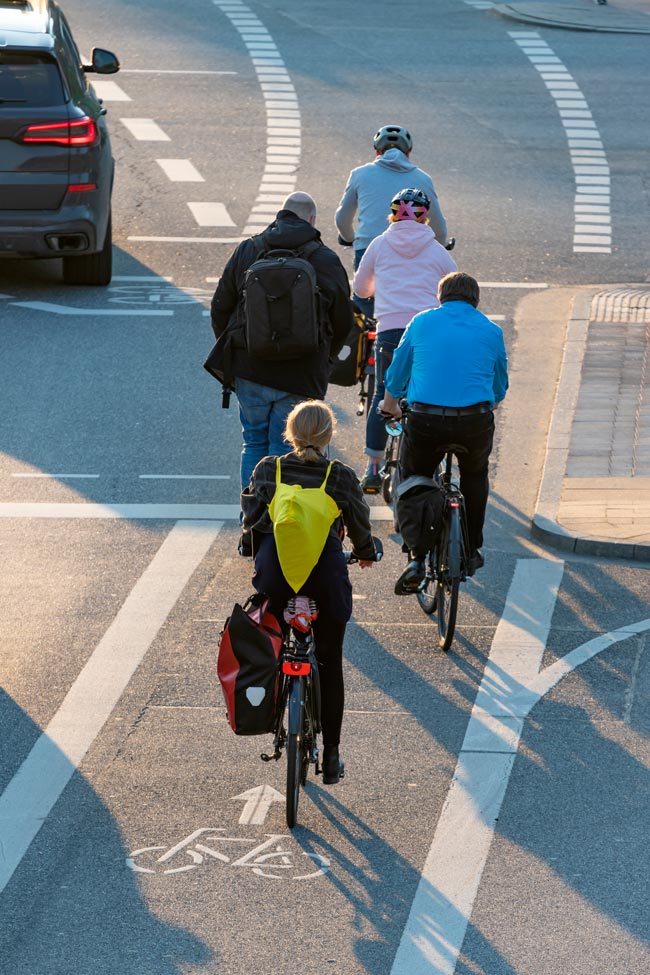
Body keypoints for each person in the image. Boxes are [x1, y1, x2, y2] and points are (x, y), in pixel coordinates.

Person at [210, 191, 356, 551]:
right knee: (281, 449)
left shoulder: (249, 249)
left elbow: (220, 305)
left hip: (250, 368)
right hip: (301, 372)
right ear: (311, 221)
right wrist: (326, 356)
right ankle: (277, 529)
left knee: (253, 442)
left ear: (281, 214)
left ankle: (250, 527)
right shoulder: (323, 258)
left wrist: (239, 349)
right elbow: (343, 319)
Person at [241, 400, 377, 784]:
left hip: (276, 578)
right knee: (330, 662)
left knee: (270, 650)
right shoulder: (340, 476)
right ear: (329, 435)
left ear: (291, 433)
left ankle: (269, 716)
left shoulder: (268, 469)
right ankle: (331, 756)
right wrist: (366, 554)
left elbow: (251, 521)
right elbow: (360, 524)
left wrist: (248, 547)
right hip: (325, 579)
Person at [379, 271, 508, 593]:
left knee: (414, 479)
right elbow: (500, 384)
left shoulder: (422, 322)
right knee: (475, 476)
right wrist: (487, 402)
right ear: (476, 300)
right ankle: (472, 547)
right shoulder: (491, 330)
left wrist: (391, 403)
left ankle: (416, 557)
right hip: (475, 420)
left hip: (426, 419)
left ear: (440, 297)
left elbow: (398, 370)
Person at [352, 187, 457, 493]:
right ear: (426, 219)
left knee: (384, 394)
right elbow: (453, 286)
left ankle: (372, 467)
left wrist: (379, 292)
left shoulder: (380, 244)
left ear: (392, 214)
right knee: (428, 393)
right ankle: (432, 463)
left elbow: (360, 289)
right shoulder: (437, 249)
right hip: (428, 332)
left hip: (391, 330)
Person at [335, 124, 448, 318]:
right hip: (415, 248)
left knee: (364, 304)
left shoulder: (359, 174)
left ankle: (367, 340)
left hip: (368, 246)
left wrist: (350, 238)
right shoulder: (422, 179)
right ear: (408, 152)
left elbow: (342, 218)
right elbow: (438, 225)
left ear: (377, 151)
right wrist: (442, 243)